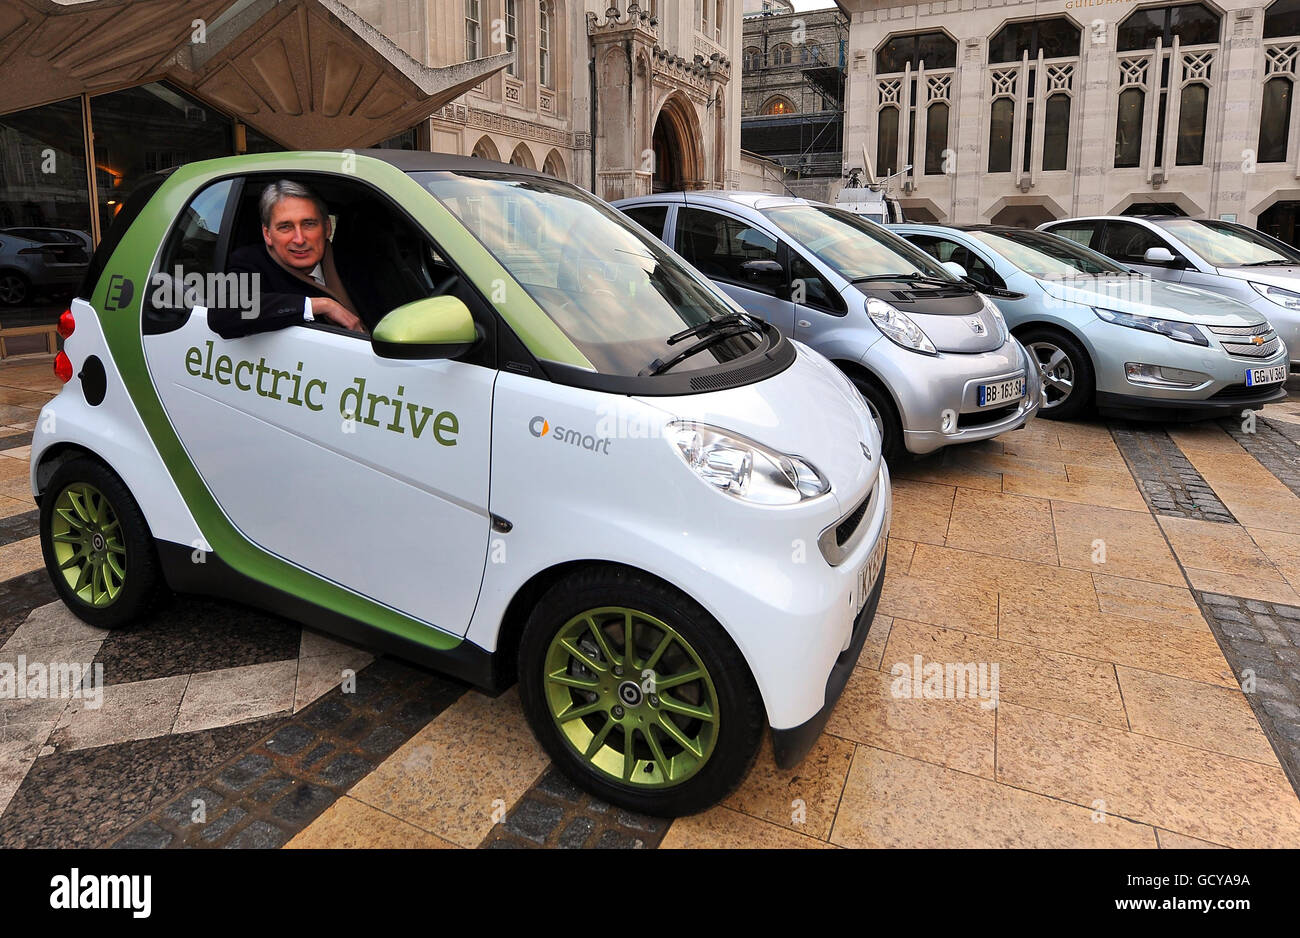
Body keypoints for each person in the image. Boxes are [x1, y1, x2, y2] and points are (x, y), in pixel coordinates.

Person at [208, 180, 366, 339]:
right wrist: (319, 305)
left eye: (309, 224)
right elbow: (222, 314)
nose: (299, 239)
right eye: (285, 227)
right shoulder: (250, 261)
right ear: (267, 234)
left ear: (327, 228)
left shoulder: (356, 260)